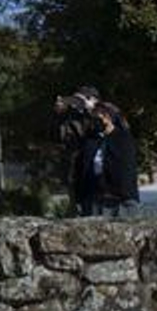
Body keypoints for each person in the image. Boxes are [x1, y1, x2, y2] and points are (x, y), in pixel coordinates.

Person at [74, 102, 139, 217]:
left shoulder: (123, 139)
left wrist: (124, 197)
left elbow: (126, 170)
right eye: (93, 118)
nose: (95, 122)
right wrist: (80, 197)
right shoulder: (90, 141)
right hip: (93, 198)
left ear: (109, 118)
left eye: (98, 118)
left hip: (119, 198)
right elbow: (82, 169)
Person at [54, 86, 100, 215]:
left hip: (93, 158)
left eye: (80, 99)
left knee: (90, 186)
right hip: (75, 156)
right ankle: (79, 210)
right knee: (76, 185)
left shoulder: (99, 112)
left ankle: (88, 210)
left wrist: (89, 109)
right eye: (75, 99)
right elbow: (60, 135)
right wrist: (59, 112)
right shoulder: (70, 115)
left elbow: (98, 129)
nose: (76, 103)